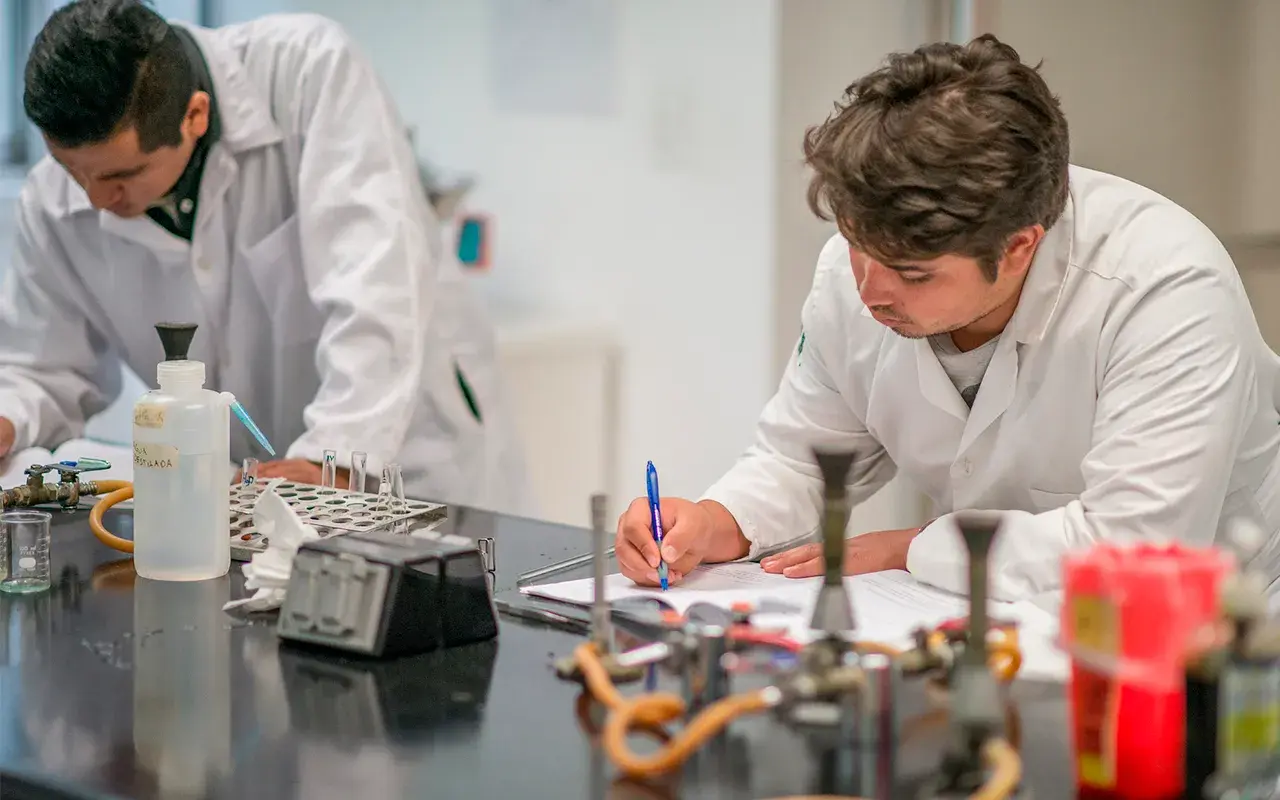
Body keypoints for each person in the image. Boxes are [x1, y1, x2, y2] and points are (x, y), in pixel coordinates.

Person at [615, 34, 1280, 602]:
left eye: (913, 274)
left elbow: (1133, 549)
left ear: (1021, 246)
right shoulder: (861, 273)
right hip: (997, 618)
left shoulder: (1164, 287)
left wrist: (914, 548)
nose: (870, 292)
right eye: (856, 247)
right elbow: (802, 459)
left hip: (1216, 638)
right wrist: (709, 520)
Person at [0, 0, 530, 514]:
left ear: (196, 116)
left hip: (406, 457)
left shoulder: (308, 73)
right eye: (74, 172)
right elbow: (43, 367)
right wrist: (10, 416)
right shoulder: (53, 198)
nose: (94, 200)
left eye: (121, 177)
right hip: (256, 487)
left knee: (432, 596)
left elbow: (375, 286)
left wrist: (340, 456)